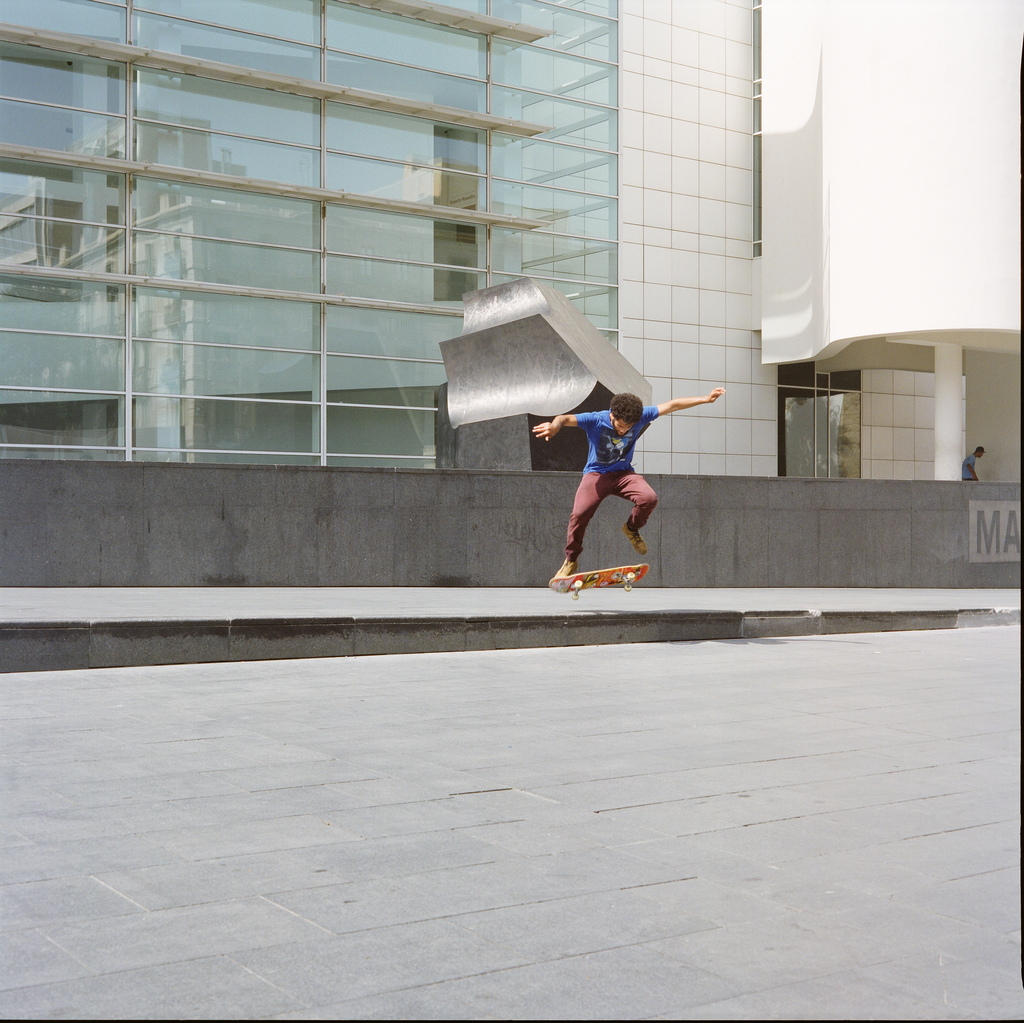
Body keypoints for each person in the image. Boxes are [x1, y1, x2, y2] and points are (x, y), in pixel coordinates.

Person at [533, 388, 726, 578]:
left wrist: (706, 399)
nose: (623, 430)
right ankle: (571, 560)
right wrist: (554, 426)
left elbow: (672, 405)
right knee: (579, 515)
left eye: (628, 427)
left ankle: (632, 528)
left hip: (624, 474)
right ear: (612, 415)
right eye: (620, 426)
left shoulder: (641, 416)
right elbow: (564, 418)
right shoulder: (595, 419)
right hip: (596, 475)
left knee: (649, 498)